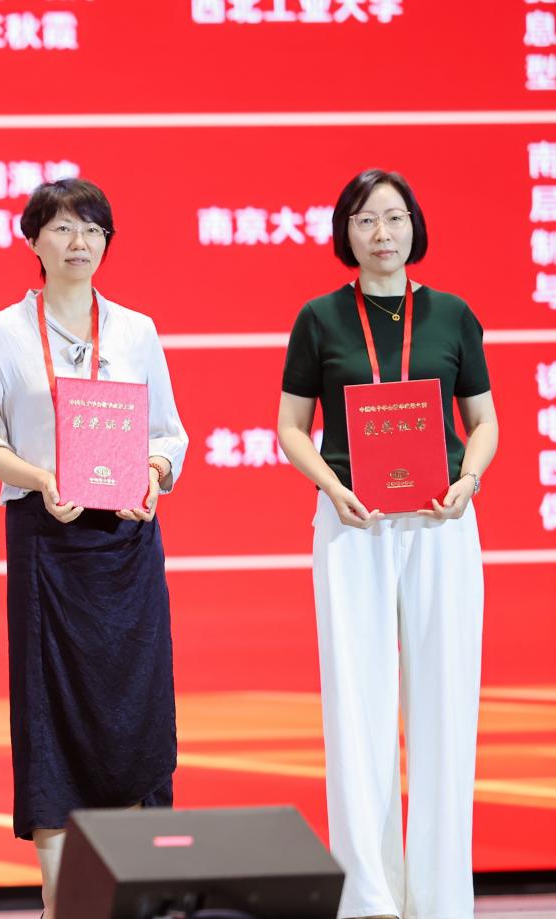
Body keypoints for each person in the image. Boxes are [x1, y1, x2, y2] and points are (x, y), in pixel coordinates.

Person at [0, 177, 188, 918]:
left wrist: (153, 473)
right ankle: (64, 902)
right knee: (50, 718)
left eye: (91, 229)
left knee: (136, 710)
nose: (78, 242)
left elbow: (169, 435)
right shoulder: (2, 333)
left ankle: (136, 893)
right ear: (33, 241)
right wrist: (39, 476)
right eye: (60, 228)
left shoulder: (136, 331)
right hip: (46, 544)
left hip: (126, 543)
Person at [277, 169, 497, 919]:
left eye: (394, 217)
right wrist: (329, 486)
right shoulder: (318, 318)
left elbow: (484, 421)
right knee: (356, 703)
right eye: (366, 219)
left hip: (441, 522)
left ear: (414, 226)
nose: (382, 233)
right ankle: (368, 896)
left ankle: (441, 896)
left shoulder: (452, 314)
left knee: (445, 702)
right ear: (346, 231)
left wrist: (468, 478)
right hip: (352, 523)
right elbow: (290, 426)